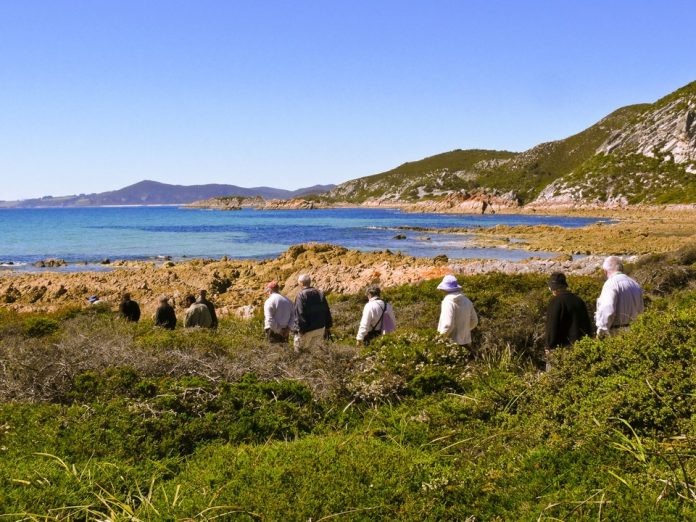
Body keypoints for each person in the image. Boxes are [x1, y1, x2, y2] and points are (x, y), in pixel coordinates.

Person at [544, 272, 593, 371]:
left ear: (553, 288)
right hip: (580, 348)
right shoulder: (578, 300)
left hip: (561, 349)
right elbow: (587, 324)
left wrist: (549, 346)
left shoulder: (555, 302)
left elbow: (552, 327)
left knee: (555, 376)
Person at [595, 256, 644, 337]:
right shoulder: (634, 284)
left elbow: (607, 309)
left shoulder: (611, 284)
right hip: (634, 332)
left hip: (616, 333)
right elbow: (641, 309)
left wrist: (602, 331)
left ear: (605, 271)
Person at [293, 274, 332, 352]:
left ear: (301, 283)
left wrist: (300, 330)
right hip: (320, 328)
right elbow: (326, 310)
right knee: (315, 353)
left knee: (300, 353)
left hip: (307, 330)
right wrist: (328, 326)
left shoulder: (301, 295)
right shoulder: (320, 293)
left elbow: (300, 314)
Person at [436, 274, 478, 347]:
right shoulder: (467, 301)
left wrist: (440, 340)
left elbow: (447, 325)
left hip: (451, 345)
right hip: (466, 342)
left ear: (444, 289)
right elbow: (474, 321)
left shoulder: (448, 302)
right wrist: (464, 330)